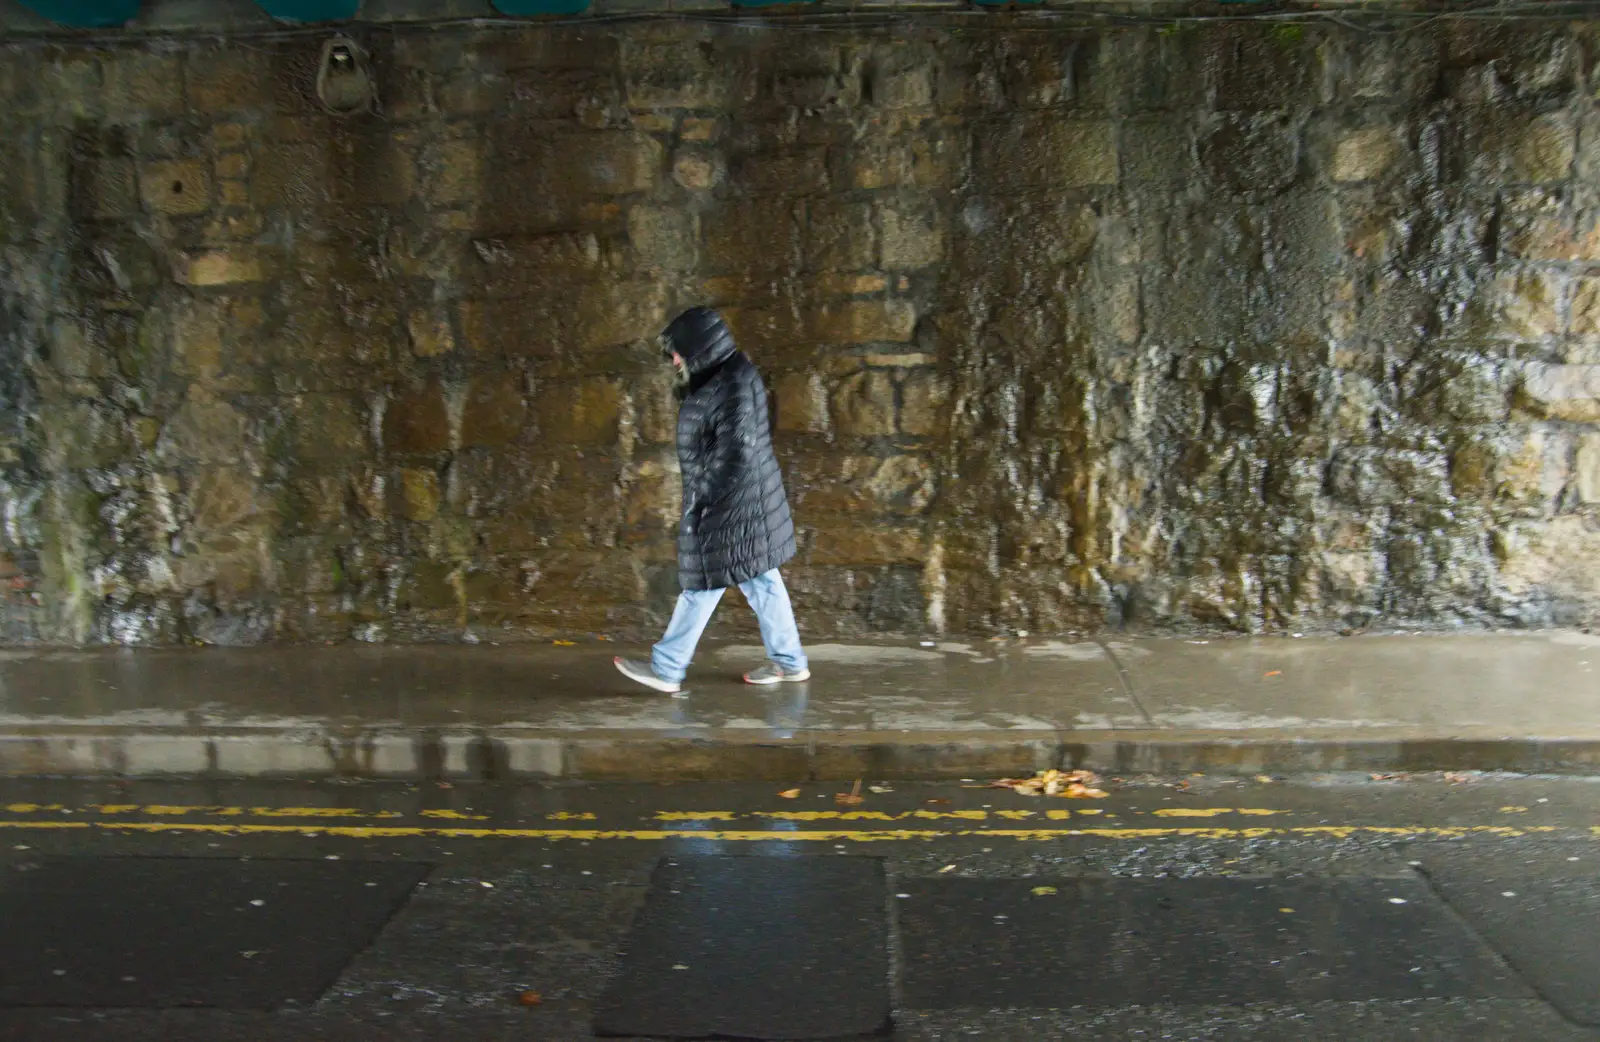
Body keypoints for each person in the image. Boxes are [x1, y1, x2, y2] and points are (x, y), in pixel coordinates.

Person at [613, 307, 811, 694]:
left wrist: (703, 497)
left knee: (703, 583)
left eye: (678, 352)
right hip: (744, 499)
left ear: (699, 347)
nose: (674, 360)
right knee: (761, 580)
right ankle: (790, 662)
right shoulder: (726, 375)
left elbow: (737, 450)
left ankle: (667, 668)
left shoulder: (733, 382)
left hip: (732, 502)